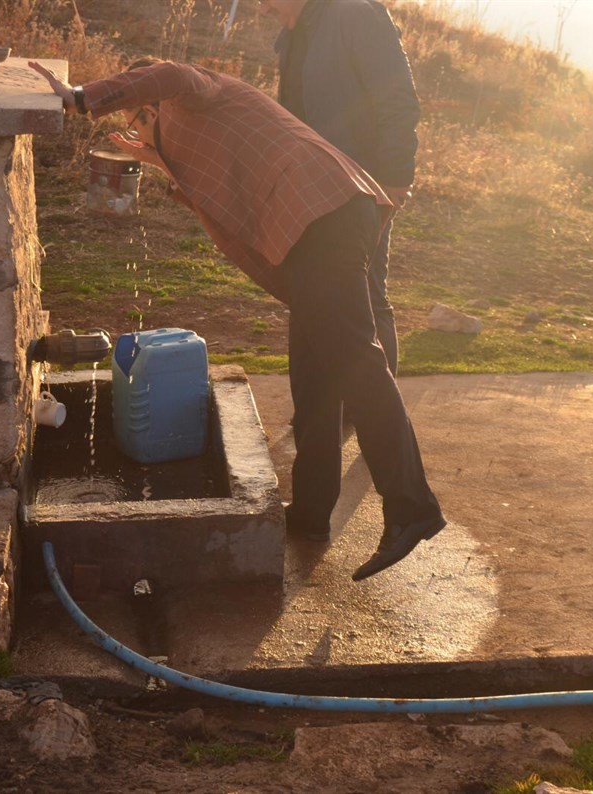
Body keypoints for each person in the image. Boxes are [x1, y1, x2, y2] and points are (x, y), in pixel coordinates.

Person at [29, 58, 444, 581]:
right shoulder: (195, 126)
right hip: (323, 218)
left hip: (324, 214)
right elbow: (218, 184)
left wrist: (82, 96)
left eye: (136, 118)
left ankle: (412, 509)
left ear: (148, 101)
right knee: (316, 376)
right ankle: (314, 514)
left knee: (358, 362)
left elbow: (170, 74)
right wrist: (161, 162)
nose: (136, 130)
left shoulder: (192, 89)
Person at [260, 0, 422, 376]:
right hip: (313, 192)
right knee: (320, 296)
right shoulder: (293, 36)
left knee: (367, 295)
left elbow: (398, 101)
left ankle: (379, 409)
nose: (263, 8)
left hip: (365, 189)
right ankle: (328, 404)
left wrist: (396, 181)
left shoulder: (356, 14)